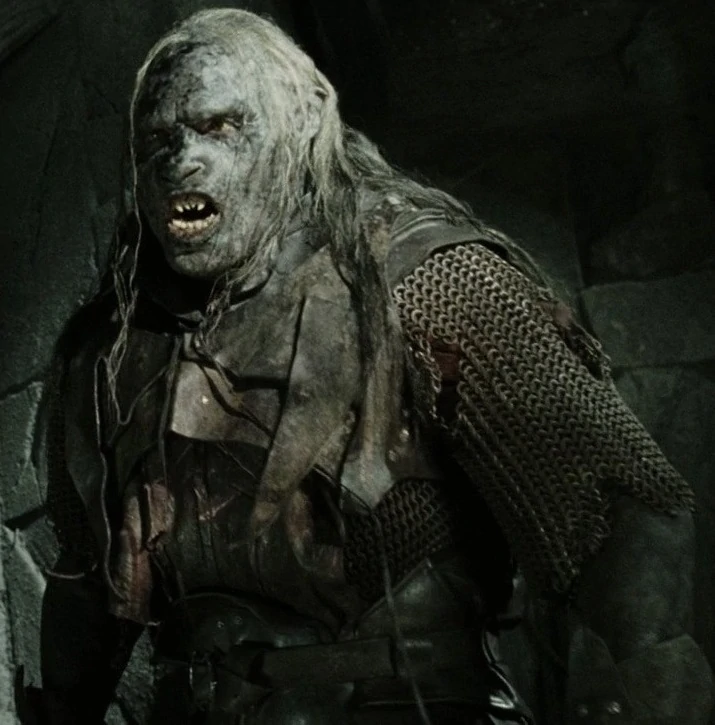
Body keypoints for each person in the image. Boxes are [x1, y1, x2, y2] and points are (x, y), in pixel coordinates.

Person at [20, 8, 713, 724]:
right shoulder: (110, 349)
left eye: (219, 125)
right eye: (157, 141)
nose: (180, 161)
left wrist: (650, 690)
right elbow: (88, 579)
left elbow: (619, 516)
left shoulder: (427, 282)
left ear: (297, 126)